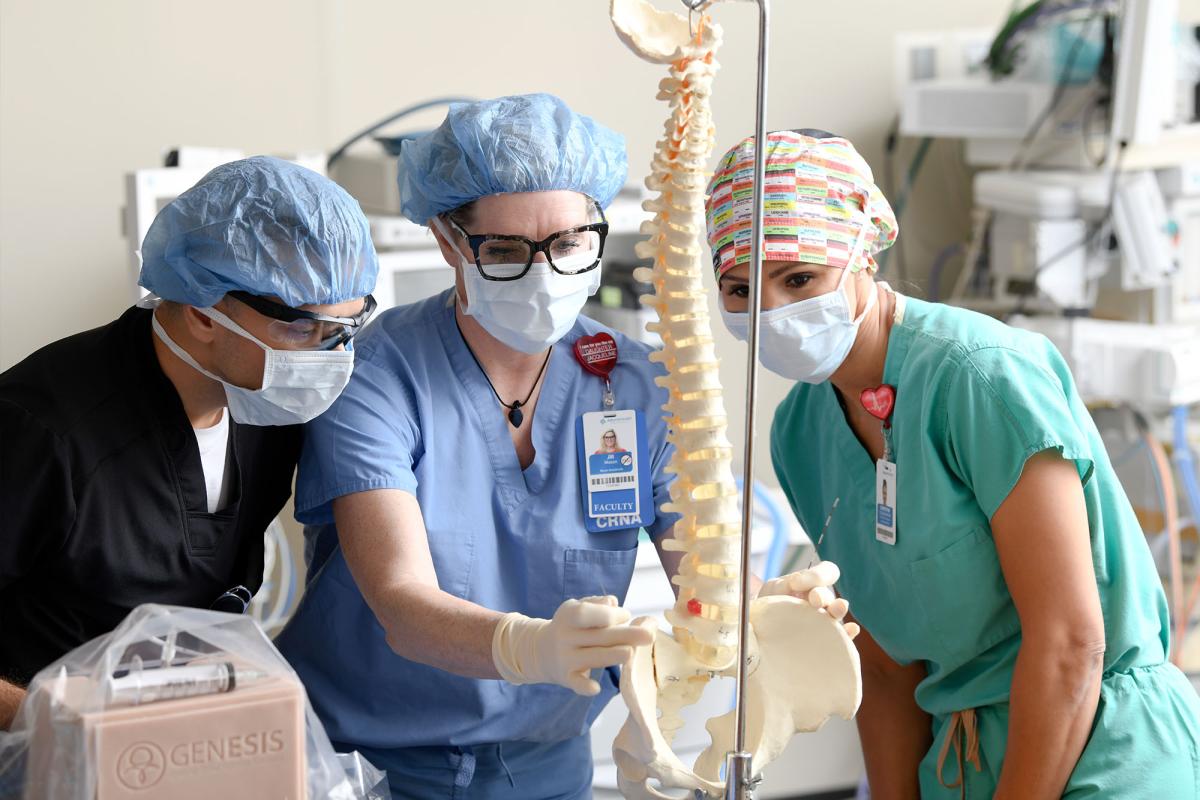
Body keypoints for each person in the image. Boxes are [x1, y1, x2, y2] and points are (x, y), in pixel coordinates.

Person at [274, 95, 851, 800]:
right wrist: (528, 647)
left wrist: (763, 607)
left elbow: (697, 578)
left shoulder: (634, 382)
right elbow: (401, 602)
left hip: (546, 763)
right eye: (508, 251)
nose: (546, 274)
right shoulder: (378, 374)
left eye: (572, 243)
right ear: (447, 239)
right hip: (368, 761)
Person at [707, 129, 1200, 798]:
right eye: (739, 289)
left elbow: (1069, 644)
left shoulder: (980, 377)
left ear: (865, 252)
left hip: (1103, 744)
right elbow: (883, 668)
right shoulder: (800, 433)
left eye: (800, 278)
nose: (773, 311)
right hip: (959, 762)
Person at [0, 156, 378, 728]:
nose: (332, 358)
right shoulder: (42, 428)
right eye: (306, 328)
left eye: (347, 329)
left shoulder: (267, 403)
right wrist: (49, 721)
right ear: (204, 313)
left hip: (178, 734)